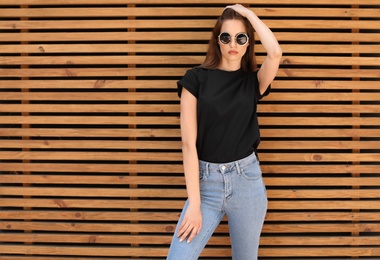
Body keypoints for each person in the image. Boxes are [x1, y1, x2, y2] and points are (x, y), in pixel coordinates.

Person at [167, 4, 282, 260]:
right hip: (205, 186)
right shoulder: (195, 79)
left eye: (241, 38)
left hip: (247, 183)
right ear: (217, 41)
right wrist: (194, 204)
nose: (233, 43)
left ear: (248, 43)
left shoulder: (253, 82)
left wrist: (249, 15)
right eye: (226, 37)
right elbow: (188, 144)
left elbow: (275, 53)